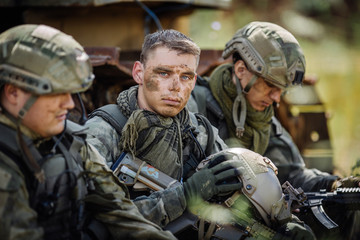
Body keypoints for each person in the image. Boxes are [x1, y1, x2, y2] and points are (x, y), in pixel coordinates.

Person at [84, 29, 315, 239]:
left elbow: (247, 185)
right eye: (163, 73)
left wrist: (286, 223)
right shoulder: (103, 131)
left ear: (194, 81)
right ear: (138, 73)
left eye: (185, 76)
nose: (176, 86)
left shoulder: (199, 131)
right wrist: (186, 194)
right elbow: (100, 220)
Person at [0, 24, 178, 240]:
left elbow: (120, 214)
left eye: (72, 92)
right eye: (55, 92)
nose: (69, 104)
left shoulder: (70, 142)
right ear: (13, 93)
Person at [187, 21, 360, 239]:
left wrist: (335, 184)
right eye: (270, 86)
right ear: (241, 70)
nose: (277, 98)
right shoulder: (193, 106)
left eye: (282, 90)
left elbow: (292, 174)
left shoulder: (261, 118)